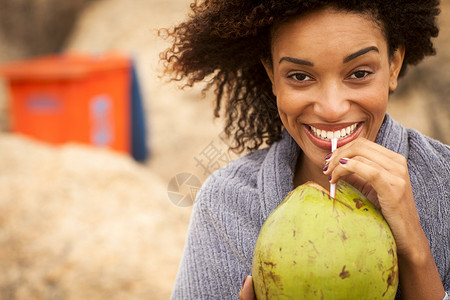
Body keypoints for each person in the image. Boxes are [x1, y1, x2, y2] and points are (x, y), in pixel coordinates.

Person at [160, 0, 449, 299]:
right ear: (272, 75)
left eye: (359, 73)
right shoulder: (226, 203)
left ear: (393, 65)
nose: (332, 109)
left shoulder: (446, 182)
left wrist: (415, 252)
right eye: (299, 76)